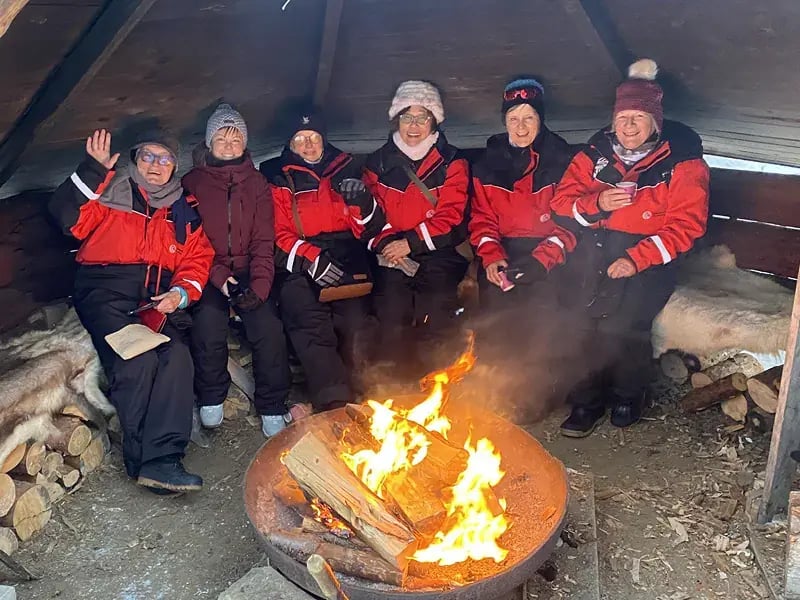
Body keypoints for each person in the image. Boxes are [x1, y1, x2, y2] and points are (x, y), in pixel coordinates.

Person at [49, 129, 214, 493]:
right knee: (137, 358)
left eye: (164, 158)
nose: (155, 166)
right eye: (148, 157)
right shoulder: (110, 190)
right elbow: (68, 220)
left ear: (175, 165)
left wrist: (180, 294)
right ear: (135, 159)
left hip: (155, 297)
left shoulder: (183, 208)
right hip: (105, 289)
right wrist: (92, 171)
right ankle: (145, 461)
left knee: (176, 355)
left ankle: (165, 459)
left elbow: (197, 259)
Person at [551, 59, 709, 437]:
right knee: (577, 321)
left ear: (655, 121)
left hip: (651, 255)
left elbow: (687, 225)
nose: (629, 126)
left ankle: (628, 395)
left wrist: (635, 259)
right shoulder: (597, 153)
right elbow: (561, 203)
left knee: (624, 326)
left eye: (638, 118)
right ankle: (587, 400)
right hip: (596, 248)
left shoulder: (680, 159)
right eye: (623, 118)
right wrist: (598, 204)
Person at [260, 109, 381, 415]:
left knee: (356, 325)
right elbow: (277, 231)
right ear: (290, 144)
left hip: (347, 255)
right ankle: (334, 405)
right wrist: (311, 259)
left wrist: (361, 202)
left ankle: (367, 397)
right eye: (301, 139)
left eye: (314, 138)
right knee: (310, 325)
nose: (309, 145)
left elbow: (368, 229)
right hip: (300, 257)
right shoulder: (277, 174)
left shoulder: (348, 167)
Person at [182, 104, 291, 438]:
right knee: (207, 323)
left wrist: (258, 286)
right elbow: (192, 240)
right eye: (222, 138)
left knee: (268, 327)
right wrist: (219, 279)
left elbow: (263, 238)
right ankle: (212, 397)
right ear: (209, 143)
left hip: (249, 270)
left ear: (245, 144)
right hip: (206, 268)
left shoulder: (257, 183)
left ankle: (272, 406)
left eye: (236, 139)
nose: (229, 145)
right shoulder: (192, 183)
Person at [362, 80, 469, 375]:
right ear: (397, 119)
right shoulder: (378, 162)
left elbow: (451, 216)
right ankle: (395, 387)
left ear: (433, 121)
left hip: (438, 252)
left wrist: (410, 243)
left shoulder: (452, 161)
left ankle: (435, 384)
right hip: (391, 253)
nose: (413, 125)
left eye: (422, 117)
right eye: (407, 117)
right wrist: (387, 245)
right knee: (391, 315)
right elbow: (368, 214)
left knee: (435, 315)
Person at [469, 78, 576, 340]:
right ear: (504, 122)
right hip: (504, 249)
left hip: (550, 250)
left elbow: (572, 223)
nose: (521, 126)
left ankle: (545, 378)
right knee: (495, 322)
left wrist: (542, 260)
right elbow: (482, 220)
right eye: (513, 118)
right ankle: (495, 377)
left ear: (541, 120)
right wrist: (492, 257)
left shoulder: (563, 160)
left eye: (529, 117)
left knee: (543, 322)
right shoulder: (487, 165)